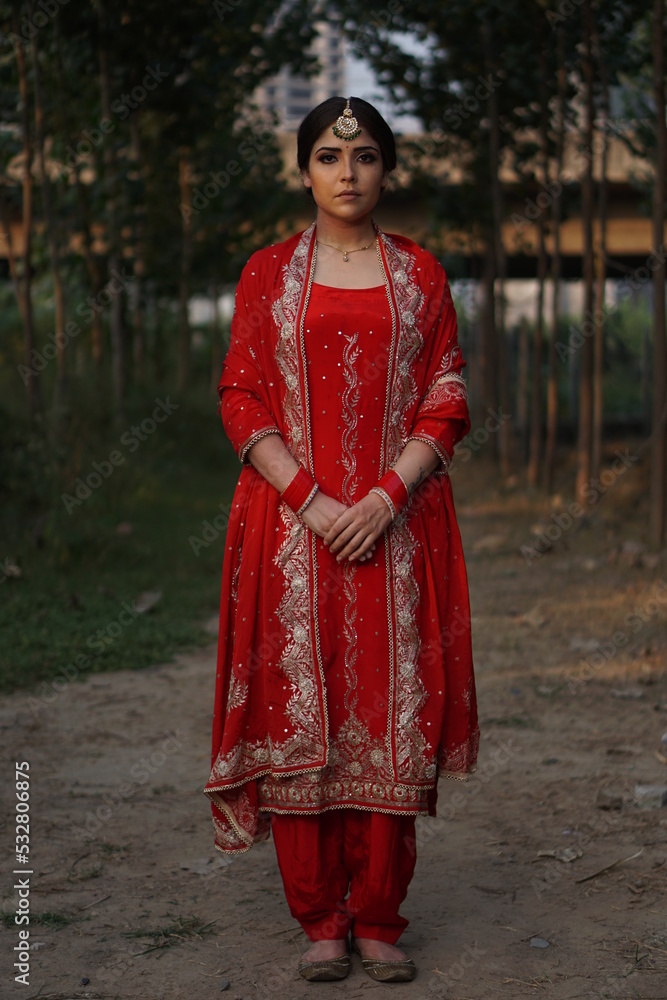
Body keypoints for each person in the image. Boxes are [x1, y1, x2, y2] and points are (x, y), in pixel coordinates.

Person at [203, 96, 479, 984]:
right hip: (289, 532)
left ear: (388, 169)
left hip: (396, 532)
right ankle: (319, 915)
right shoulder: (267, 275)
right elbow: (241, 394)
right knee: (298, 709)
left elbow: (446, 391)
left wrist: (389, 494)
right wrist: (314, 501)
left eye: (364, 157)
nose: (347, 172)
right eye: (328, 155)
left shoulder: (422, 276)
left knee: (389, 709)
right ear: (305, 170)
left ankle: (382, 914)